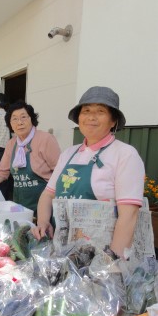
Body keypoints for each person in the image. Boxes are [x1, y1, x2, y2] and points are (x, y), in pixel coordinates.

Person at [32, 86, 145, 259]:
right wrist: (43, 221)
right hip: (64, 253)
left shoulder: (125, 155)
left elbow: (128, 216)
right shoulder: (69, 154)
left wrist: (110, 265)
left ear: (113, 121)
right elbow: (48, 195)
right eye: (86, 111)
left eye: (100, 111)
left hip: (102, 256)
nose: (91, 117)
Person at [0, 101, 61, 216]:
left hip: (45, 205)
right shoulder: (11, 144)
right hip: (20, 205)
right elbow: (2, 172)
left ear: (32, 119)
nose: (19, 122)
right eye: (14, 119)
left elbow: (59, 172)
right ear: (10, 124)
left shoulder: (46, 139)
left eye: (23, 117)